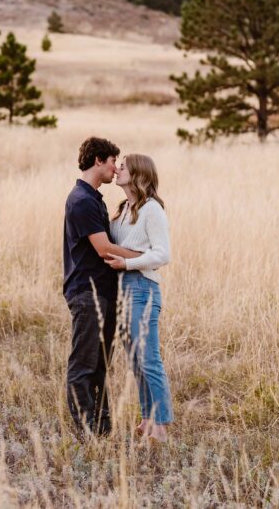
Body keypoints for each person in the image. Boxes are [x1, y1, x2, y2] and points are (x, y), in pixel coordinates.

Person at [63, 137, 142, 436]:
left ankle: (102, 427)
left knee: (100, 364)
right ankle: (85, 431)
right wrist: (144, 258)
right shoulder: (81, 201)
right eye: (112, 161)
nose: (115, 167)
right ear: (98, 160)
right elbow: (103, 248)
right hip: (87, 293)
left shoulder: (94, 198)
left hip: (103, 292)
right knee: (84, 364)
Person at [105, 154, 174, 443]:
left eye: (123, 167)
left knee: (148, 359)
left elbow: (163, 254)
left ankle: (160, 427)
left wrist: (127, 264)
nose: (117, 169)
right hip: (122, 289)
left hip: (142, 287)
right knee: (136, 361)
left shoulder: (151, 209)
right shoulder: (124, 210)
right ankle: (147, 419)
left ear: (138, 174)